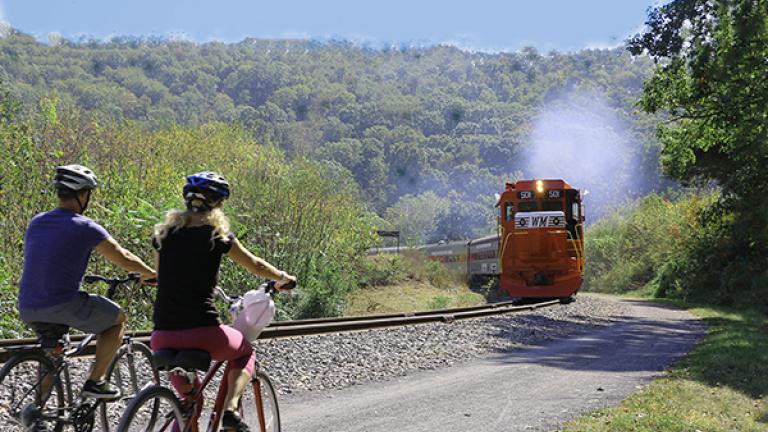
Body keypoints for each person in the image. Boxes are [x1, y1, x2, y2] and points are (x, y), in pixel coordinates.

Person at [150, 171, 296, 432]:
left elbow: (161, 278)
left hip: (162, 336)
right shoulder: (217, 236)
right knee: (245, 351)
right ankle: (230, 410)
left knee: (188, 403)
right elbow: (255, 265)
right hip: (204, 334)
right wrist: (283, 278)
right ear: (217, 204)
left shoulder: (164, 235)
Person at [18, 164, 157, 399]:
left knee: (53, 353)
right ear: (83, 195)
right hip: (62, 304)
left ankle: (37, 412)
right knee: (117, 320)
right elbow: (123, 257)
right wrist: (151, 273)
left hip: (28, 306)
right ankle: (95, 382)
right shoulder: (85, 226)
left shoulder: (37, 222)